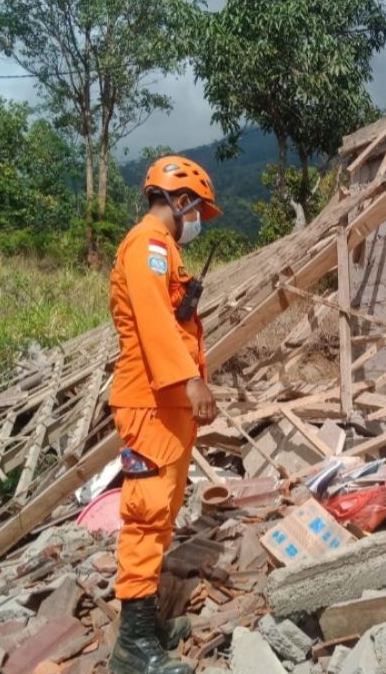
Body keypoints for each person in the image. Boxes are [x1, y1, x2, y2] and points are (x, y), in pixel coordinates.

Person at [107, 155, 221, 674]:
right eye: (197, 210)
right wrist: (190, 379)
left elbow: (173, 322)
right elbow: (153, 321)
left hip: (166, 405)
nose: (198, 220)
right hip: (151, 402)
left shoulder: (165, 251)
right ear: (181, 201)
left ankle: (148, 625)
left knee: (164, 516)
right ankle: (132, 649)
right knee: (147, 515)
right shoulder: (149, 245)